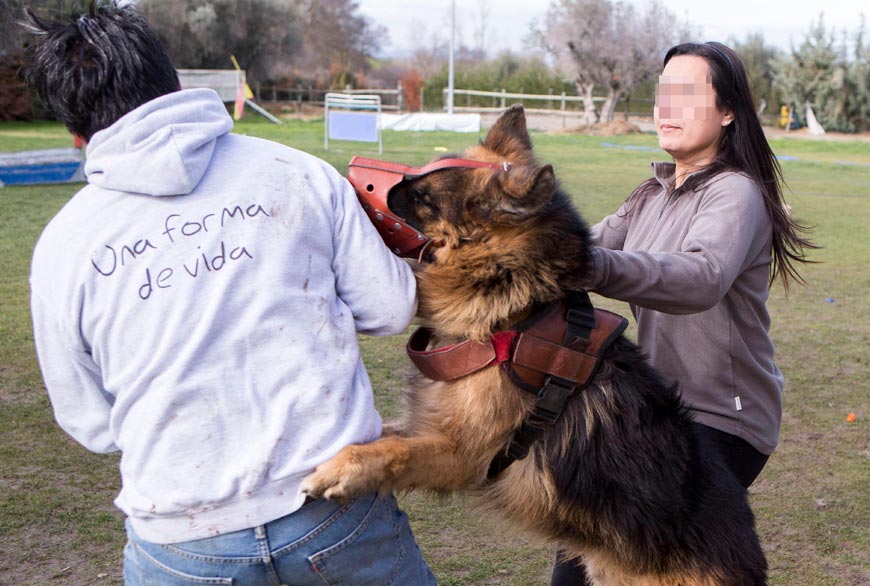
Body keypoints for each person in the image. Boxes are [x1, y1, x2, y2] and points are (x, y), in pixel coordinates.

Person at [22, 2, 436, 585]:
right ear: (172, 82)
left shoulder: (63, 244)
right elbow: (392, 307)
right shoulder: (297, 173)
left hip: (180, 538)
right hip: (334, 510)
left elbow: (91, 423)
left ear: (74, 132)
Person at [551, 41, 816, 585]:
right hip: (654, 410)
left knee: (622, 557)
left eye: (687, 93)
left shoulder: (737, 194)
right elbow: (579, 246)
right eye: (661, 94)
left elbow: (701, 277)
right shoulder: (648, 194)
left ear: (727, 112)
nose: (666, 108)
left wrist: (590, 264)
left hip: (725, 418)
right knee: (582, 552)